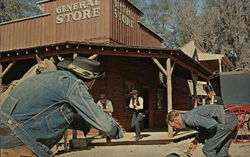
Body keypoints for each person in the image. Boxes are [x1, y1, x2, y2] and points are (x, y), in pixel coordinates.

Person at [0, 56, 123, 157]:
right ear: (92, 81)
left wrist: (85, 123)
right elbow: (106, 126)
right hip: (20, 141)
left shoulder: (48, 77)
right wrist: (117, 130)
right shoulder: (74, 84)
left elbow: (51, 114)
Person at [166, 104, 237, 157]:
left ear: (176, 120)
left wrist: (208, 138)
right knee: (222, 151)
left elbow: (212, 124)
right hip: (231, 118)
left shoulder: (189, 119)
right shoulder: (188, 117)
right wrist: (196, 140)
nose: (175, 129)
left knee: (208, 149)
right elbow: (205, 127)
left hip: (225, 121)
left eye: (173, 126)